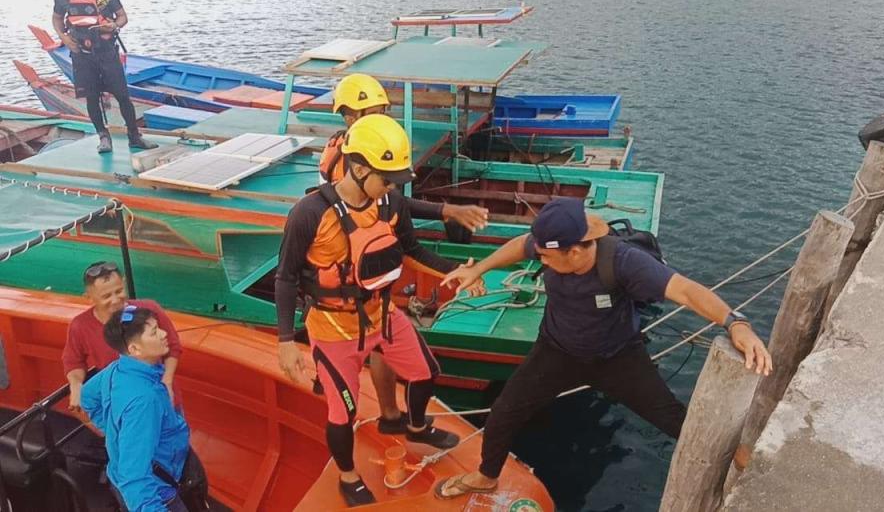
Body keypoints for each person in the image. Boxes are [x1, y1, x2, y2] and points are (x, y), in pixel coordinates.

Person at [435, 198, 774, 498]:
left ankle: (738, 460)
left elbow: (685, 291)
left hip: (617, 358)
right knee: (502, 414)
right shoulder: (552, 248)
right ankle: (486, 477)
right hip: (556, 351)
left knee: (673, 419)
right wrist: (478, 268)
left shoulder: (624, 263)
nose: (543, 264)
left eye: (550, 258)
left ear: (577, 249)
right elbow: (520, 246)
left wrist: (736, 324)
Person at [275, 113, 485, 506]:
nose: (392, 188)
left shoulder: (387, 201)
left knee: (426, 374)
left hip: (381, 315)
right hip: (333, 329)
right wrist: (286, 341)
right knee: (344, 412)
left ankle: (416, 426)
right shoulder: (308, 214)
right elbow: (285, 278)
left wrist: (457, 272)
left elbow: (412, 249)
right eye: (386, 179)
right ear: (357, 168)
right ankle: (348, 476)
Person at [323, 73, 489, 437]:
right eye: (372, 112)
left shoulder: (369, 151)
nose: (383, 119)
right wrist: (446, 213)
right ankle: (384, 414)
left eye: (384, 111)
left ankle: (392, 415)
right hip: (355, 280)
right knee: (364, 352)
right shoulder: (350, 163)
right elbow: (392, 208)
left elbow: (394, 201)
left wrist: (446, 212)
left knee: (384, 340)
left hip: (376, 273)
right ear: (350, 116)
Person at [81, 306, 208, 511]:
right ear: (134, 349)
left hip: (138, 472)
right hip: (159, 491)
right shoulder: (144, 401)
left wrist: (114, 432)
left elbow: (86, 396)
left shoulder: (116, 369)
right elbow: (134, 479)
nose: (164, 334)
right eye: (154, 332)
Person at [48, 0, 156, 153]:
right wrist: (63, 38)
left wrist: (114, 26)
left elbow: (123, 17)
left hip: (107, 53)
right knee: (91, 96)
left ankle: (135, 136)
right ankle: (103, 137)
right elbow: (56, 19)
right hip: (82, 55)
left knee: (123, 96)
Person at [64, 261, 183, 412]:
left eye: (119, 291)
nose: (115, 300)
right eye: (106, 296)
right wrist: (76, 387)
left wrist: (167, 381)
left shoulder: (150, 309)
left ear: (124, 283)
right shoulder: (80, 326)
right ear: (89, 297)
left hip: (160, 394)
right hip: (120, 402)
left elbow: (173, 346)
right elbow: (73, 362)